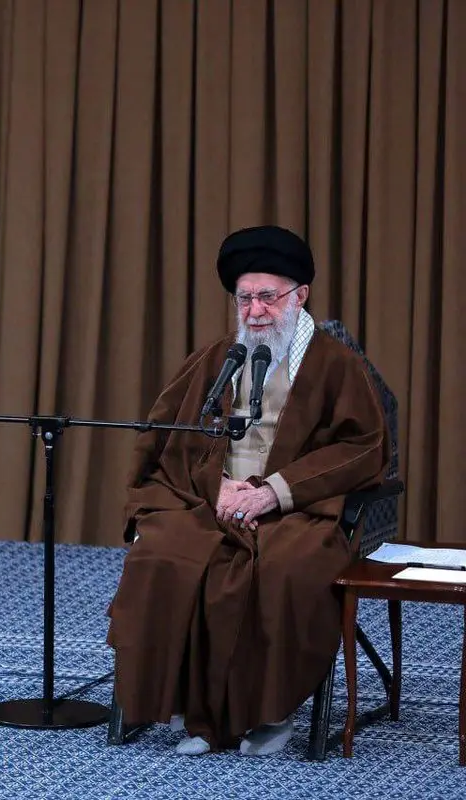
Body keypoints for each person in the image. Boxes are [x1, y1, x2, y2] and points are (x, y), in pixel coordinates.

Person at [105, 225, 390, 757]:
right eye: (245, 298)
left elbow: (363, 447)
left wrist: (273, 492)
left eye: (268, 297)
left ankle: (268, 713)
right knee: (163, 555)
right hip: (212, 500)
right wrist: (214, 487)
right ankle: (192, 710)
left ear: (299, 296)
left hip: (295, 509)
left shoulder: (335, 365)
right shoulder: (218, 359)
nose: (256, 311)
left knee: (283, 569)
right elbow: (170, 435)